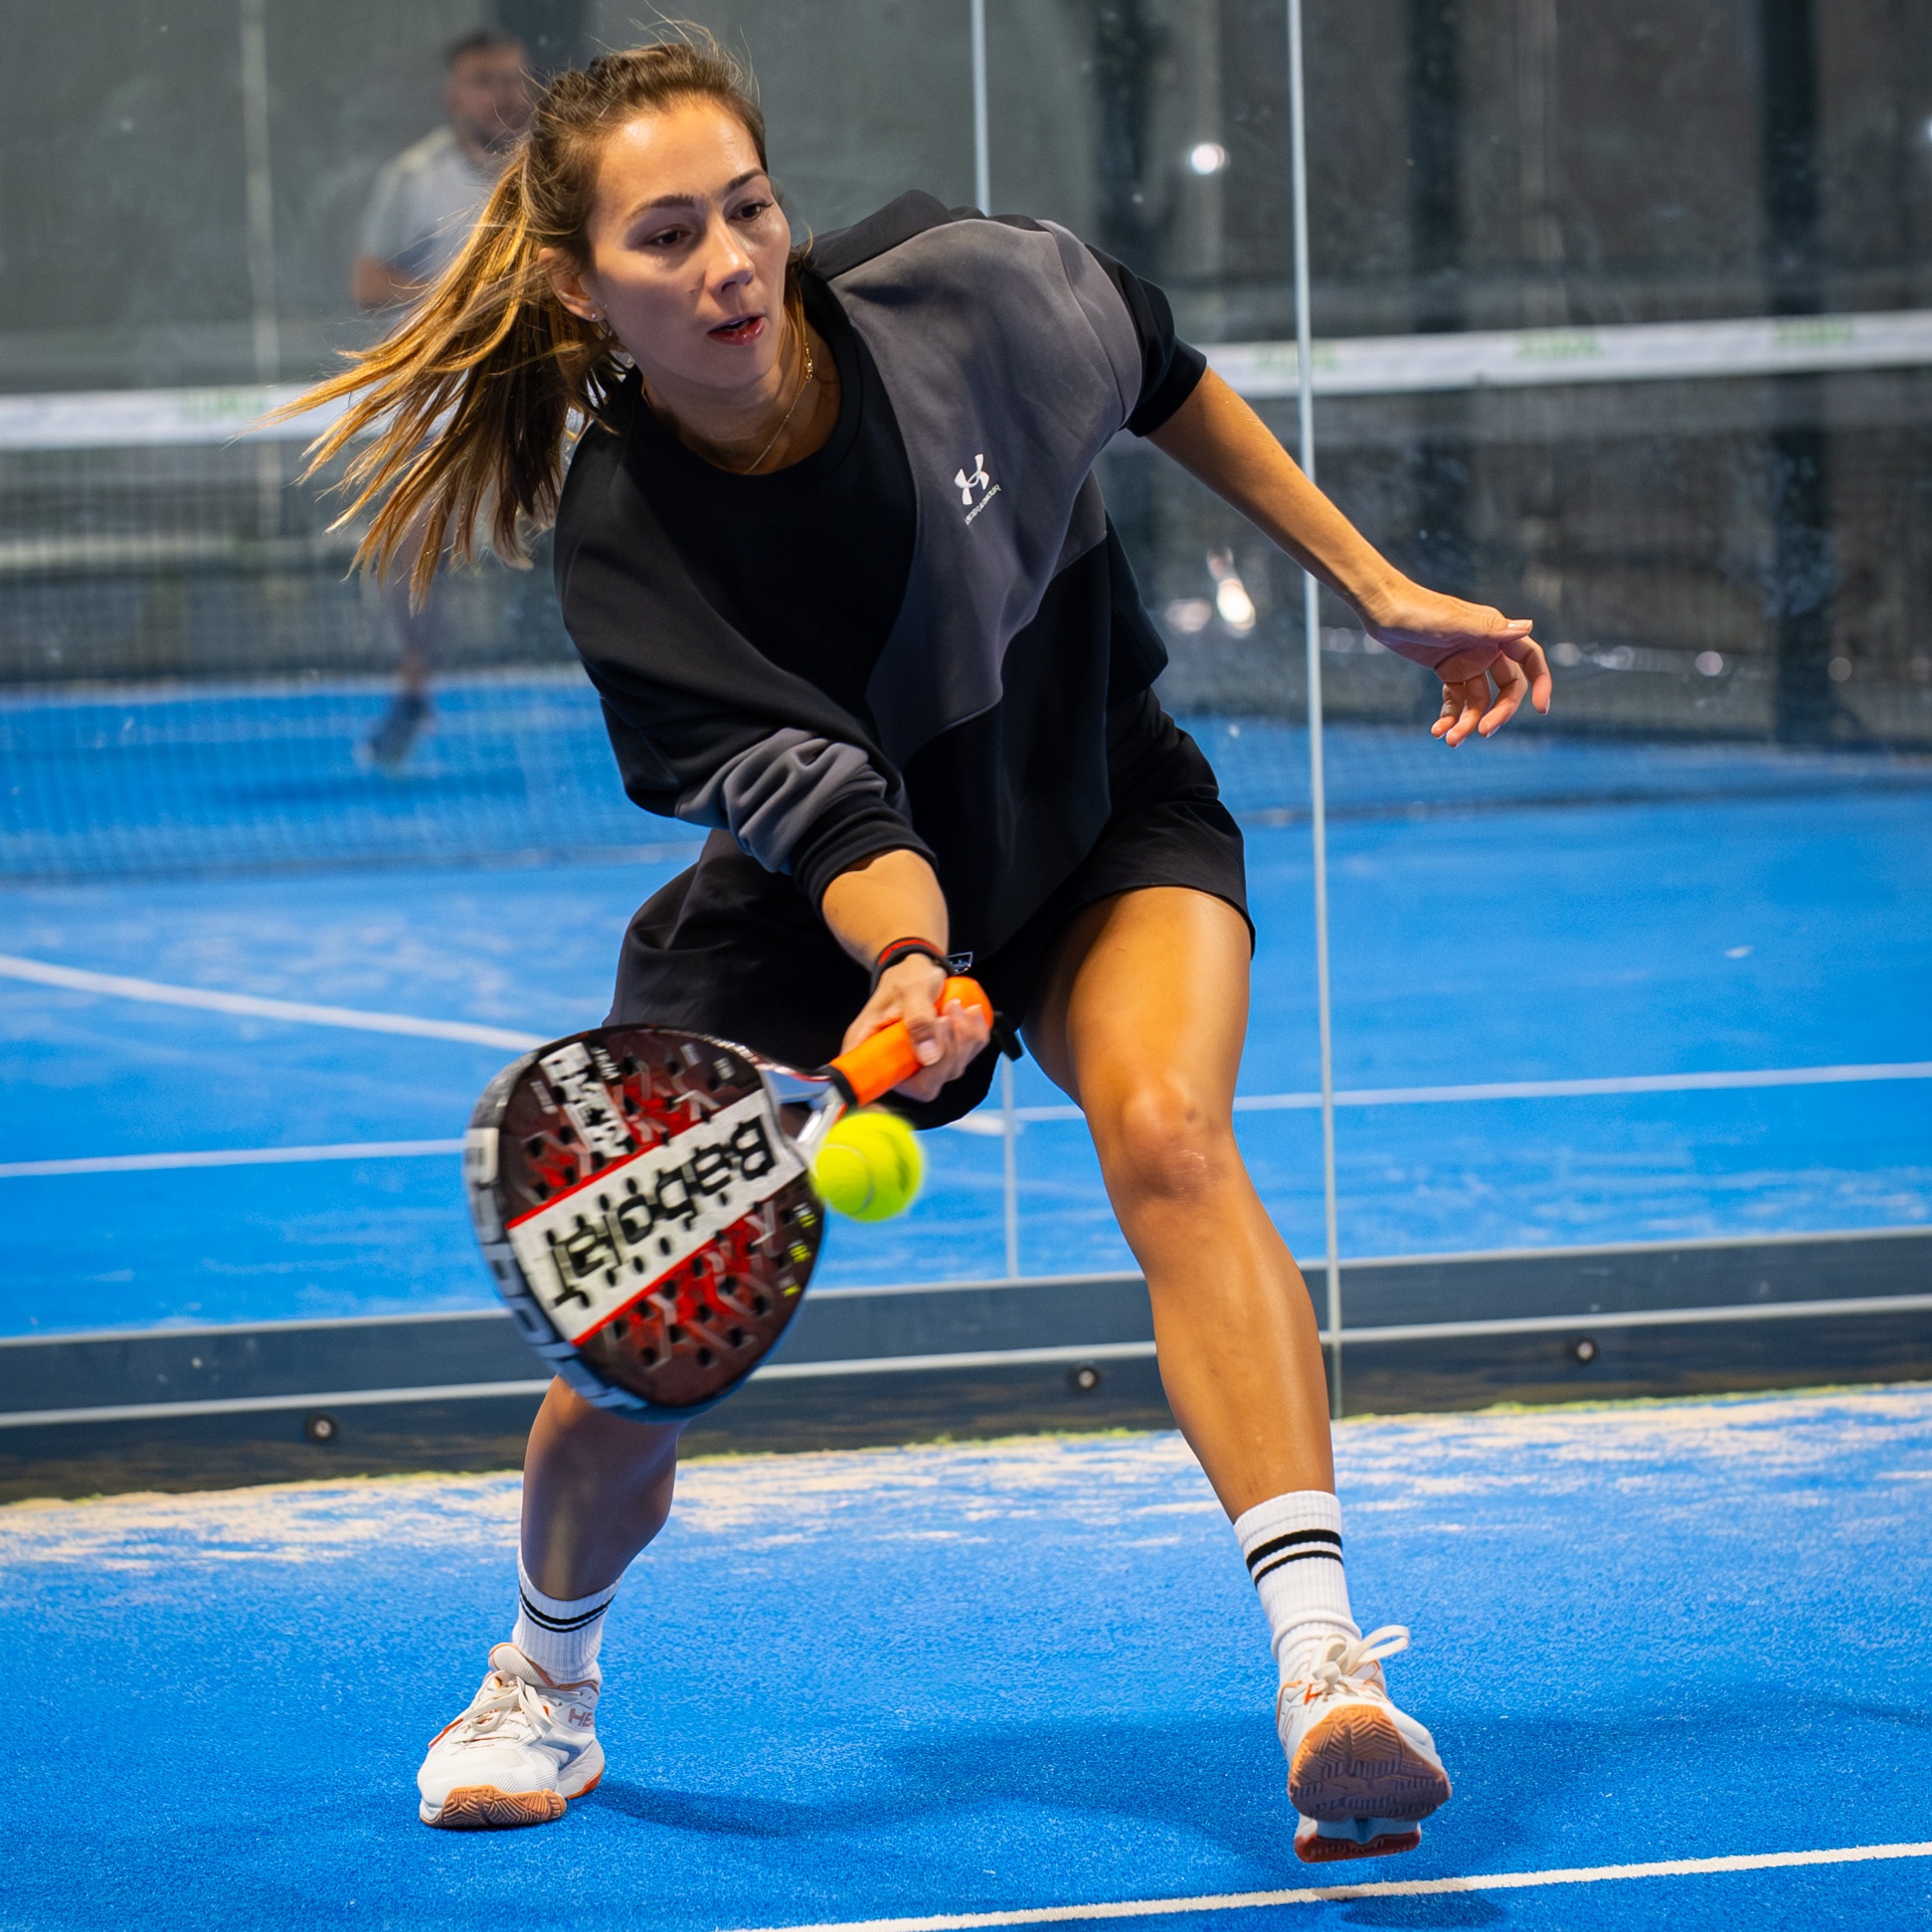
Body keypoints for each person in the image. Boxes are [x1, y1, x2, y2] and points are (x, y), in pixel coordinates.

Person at [292, 38, 1551, 1857]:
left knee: (1172, 1139)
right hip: (817, 911)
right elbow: (819, 800)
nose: (729, 263)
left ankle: (1323, 1663)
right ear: (583, 287)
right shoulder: (629, 540)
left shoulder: (970, 293)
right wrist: (903, 964)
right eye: (667, 237)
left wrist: (1376, 589)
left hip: (1093, 803)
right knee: (627, 1339)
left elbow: (1162, 375)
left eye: (747, 208)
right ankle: (542, 1674)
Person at [350, 28, 533, 768]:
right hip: (438, 413)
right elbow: (366, 286)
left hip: (534, 403)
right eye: (483, 80)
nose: (501, 94)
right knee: (409, 541)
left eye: (512, 79)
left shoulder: (546, 172)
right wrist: (459, 299)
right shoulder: (412, 177)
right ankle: (414, 682)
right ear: (453, 94)